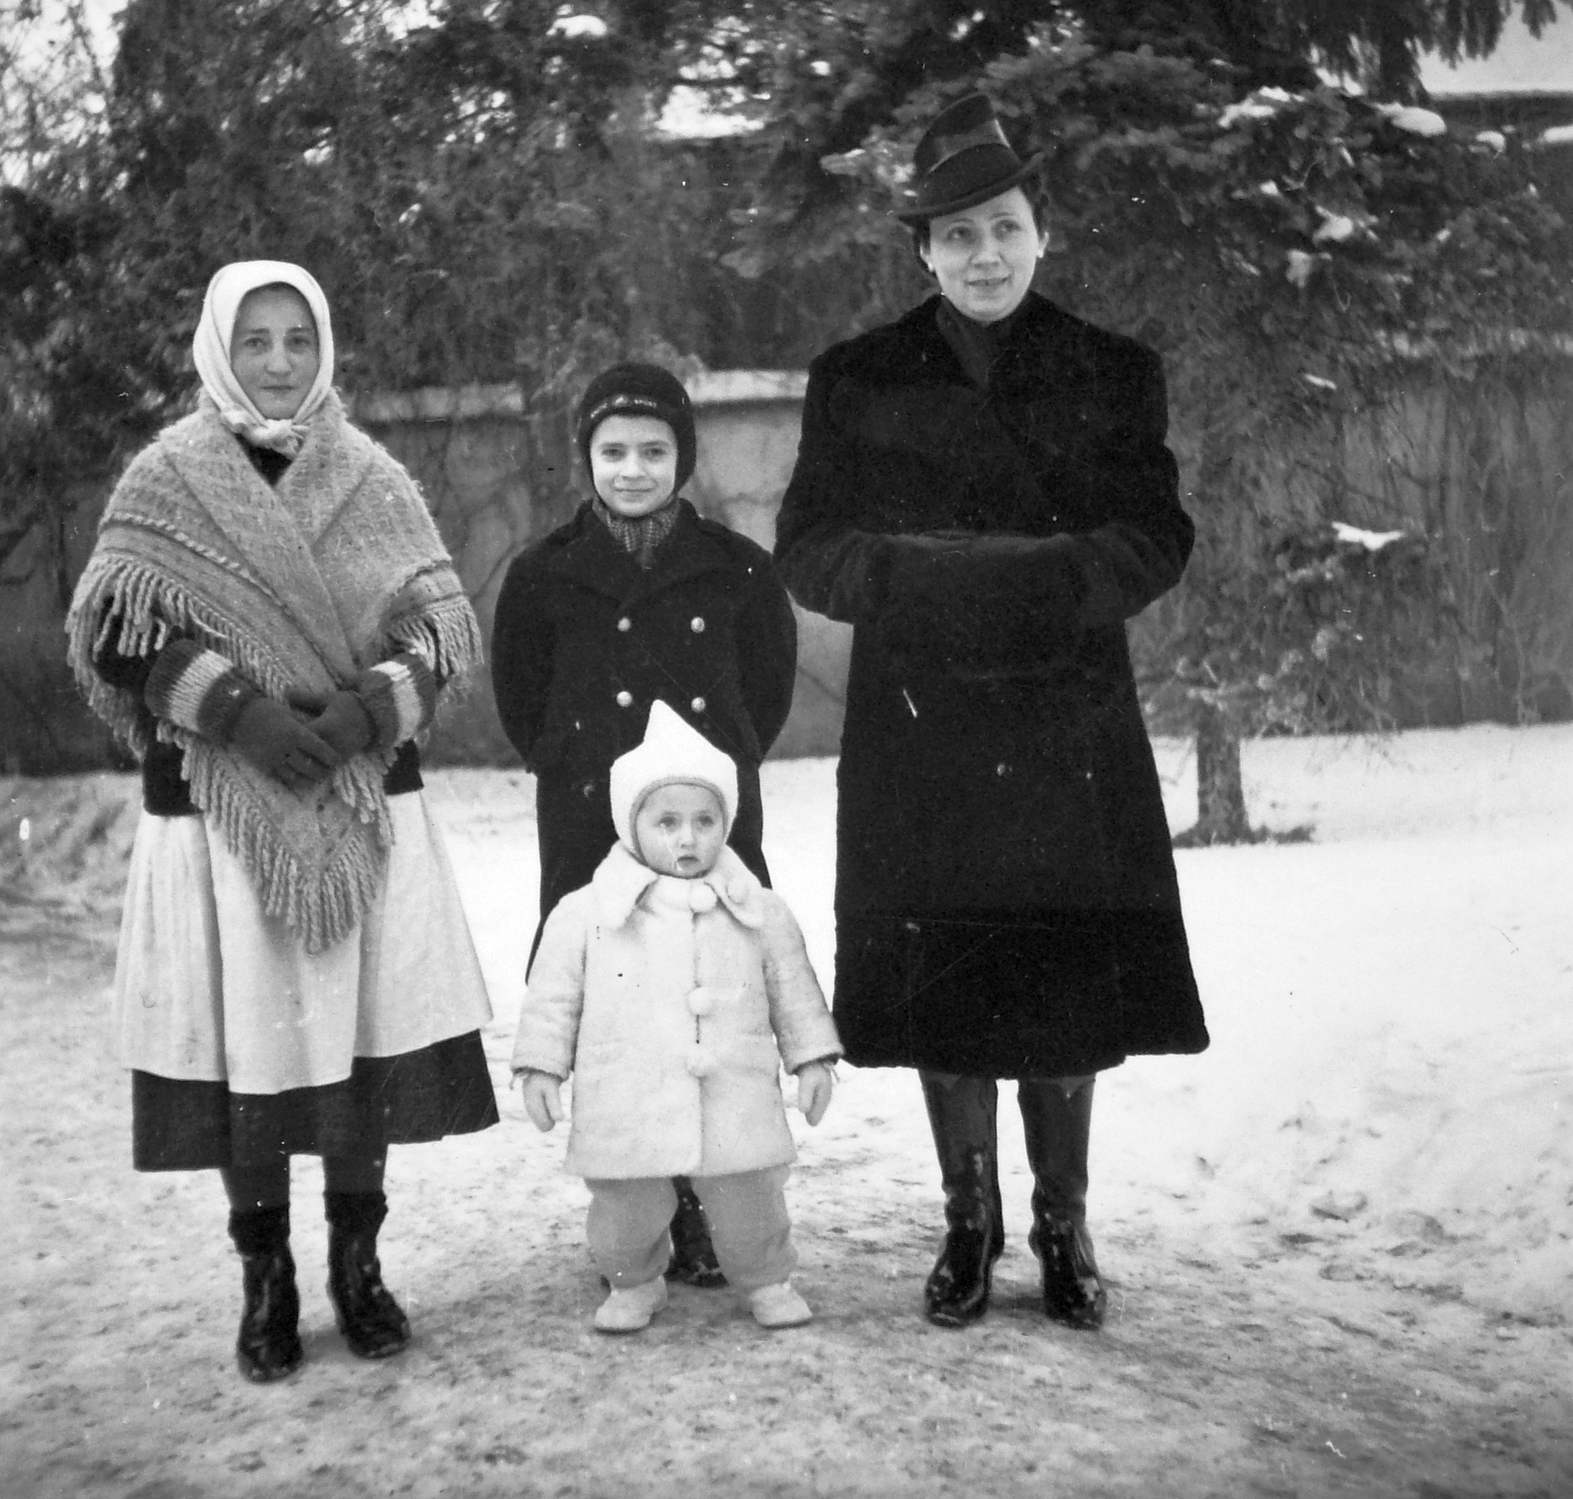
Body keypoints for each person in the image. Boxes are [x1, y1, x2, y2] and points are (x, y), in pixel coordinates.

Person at [774, 94, 1209, 1331]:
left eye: (1003, 229)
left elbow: (1157, 532)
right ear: (921, 251)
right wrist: (917, 578)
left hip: (1066, 719)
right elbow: (807, 546)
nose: (983, 257)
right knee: (946, 975)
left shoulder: (1114, 373)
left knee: (1064, 974)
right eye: (956, 236)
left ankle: (1063, 1227)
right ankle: (968, 1226)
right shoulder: (855, 379)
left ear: (1040, 235)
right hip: (923, 724)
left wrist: (1058, 578)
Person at [65, 260, 499, 1382]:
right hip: (220, 812)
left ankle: (360, 1265)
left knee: (352, 1038)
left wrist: (369, 707)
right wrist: (238, 710)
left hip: (358, 798)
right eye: (253, 339)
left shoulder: (373, 477)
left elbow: (440, 627)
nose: (276, 361)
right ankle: (268, 1278)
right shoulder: (168, 477)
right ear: (217, 347)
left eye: (296, 339)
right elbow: (114, 629)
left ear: (325, 349)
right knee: (248, 1047)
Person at [491, 362, 799, 1286]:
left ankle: (709, 1206)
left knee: (714, 1009)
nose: (633, 468)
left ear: (685, 458)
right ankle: (634, 1213)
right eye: (613, 449)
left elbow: (768, 691)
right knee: (621, 1017)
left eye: (654, 450)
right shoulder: (543, 573)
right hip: (592, 827)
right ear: (586, 457)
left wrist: (711, 783)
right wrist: (576, 759)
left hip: (707, 830)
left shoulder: (738, 569)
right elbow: (521, 698)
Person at [511, 700, 840, 1332]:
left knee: (751, 1199)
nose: (687, 838)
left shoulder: (761, 910)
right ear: (630, 824)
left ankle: (766, 1278)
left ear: (727, 822)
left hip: (733, 1089)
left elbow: (795, 991)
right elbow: (553, 1000)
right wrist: (540, 1069)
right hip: (626, 1092)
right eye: (666, 821)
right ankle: (633, 1281)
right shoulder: (585, 914)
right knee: (625, 1205)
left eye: (704, 820)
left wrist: (813, 1058)